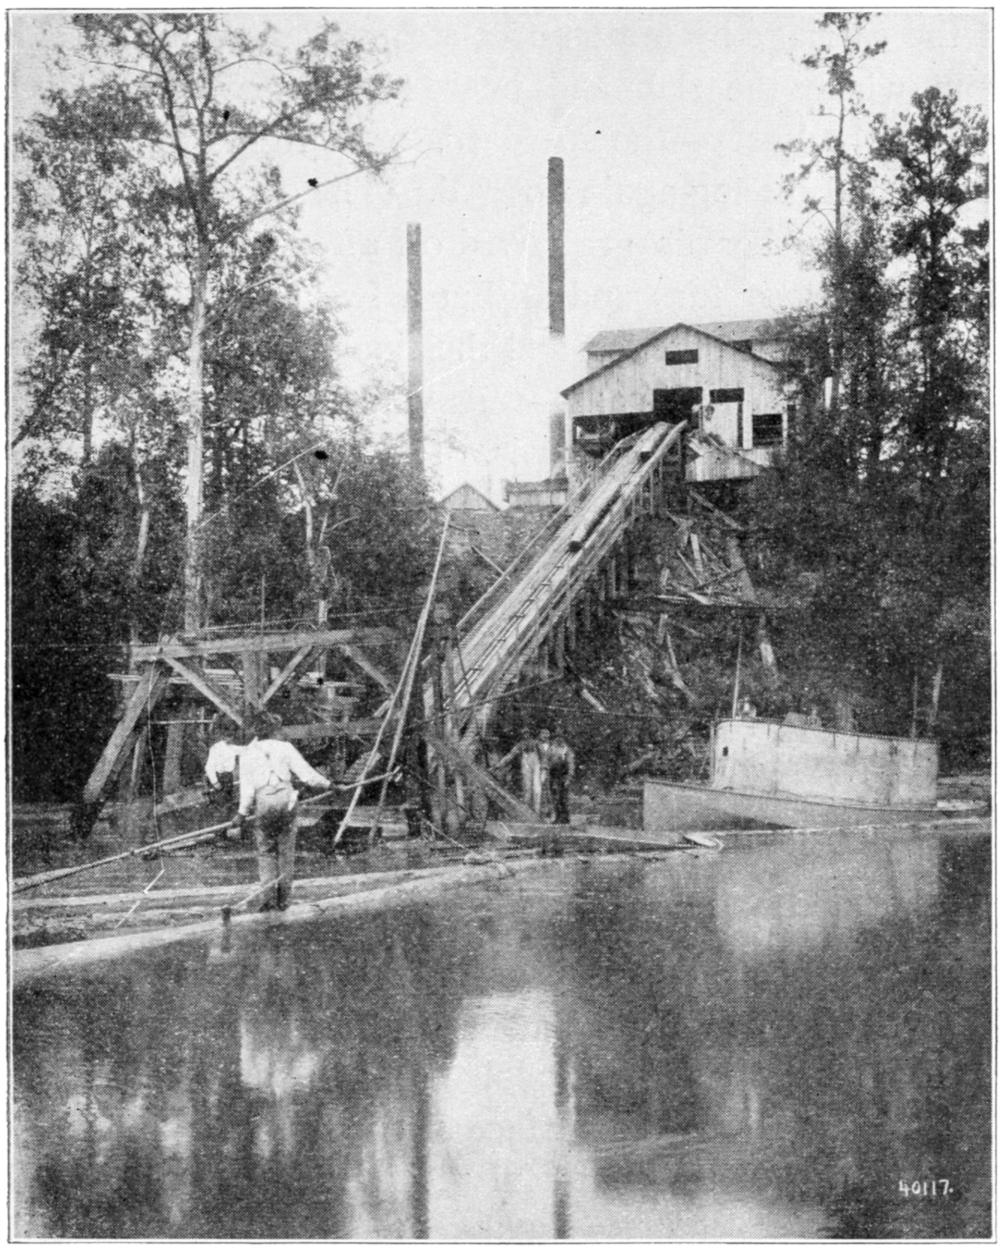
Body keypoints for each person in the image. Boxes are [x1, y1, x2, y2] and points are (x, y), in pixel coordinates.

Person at [229, 713, 330, 911]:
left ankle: (268, 898)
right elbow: (308, 774)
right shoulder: (285, 747)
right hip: (286, 799)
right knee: (286, 850)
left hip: (264, 800)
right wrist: (330, 785)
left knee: (266, 851)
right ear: (274, 729)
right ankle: (283, 900)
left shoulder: (247, 754)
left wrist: (241, 815)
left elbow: (247, 790)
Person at [541, 728, 575, 825]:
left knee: (563, 797)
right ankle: (557, 816)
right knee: (554, 797)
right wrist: (544, 769)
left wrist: (569, 778)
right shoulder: (551, 748)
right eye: (557, 737)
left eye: (560, 737)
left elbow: (571, 764)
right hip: (553, 775)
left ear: (563, 739)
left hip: (563, 775)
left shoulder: (566, 749)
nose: (558, 739)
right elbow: (546, 759)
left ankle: (565, 818)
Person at [204, 720, 241, 808]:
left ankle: (227, 808)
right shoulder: (216, 748)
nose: (231, 738)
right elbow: (209, 767)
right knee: (221, 803)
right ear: (223, 736)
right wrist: (215, 782)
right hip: (219, 777)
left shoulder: (233, 747)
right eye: (228, 736)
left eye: (232, 736)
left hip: (228, 777)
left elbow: (246, 750)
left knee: (229, 802)